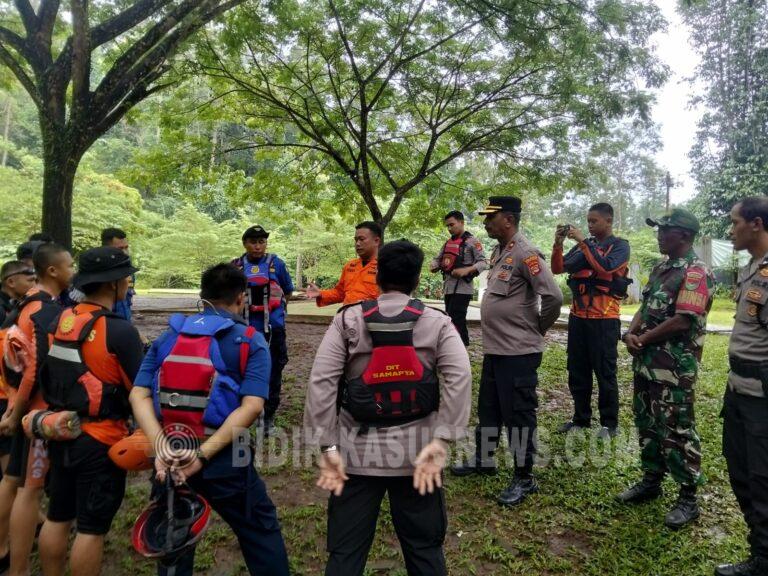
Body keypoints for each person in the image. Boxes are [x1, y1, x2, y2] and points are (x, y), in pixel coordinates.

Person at [304, 239, 471, 576]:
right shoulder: (436, 322)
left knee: (345, 554)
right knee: (425, 551)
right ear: (417, 277)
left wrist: (328, 445)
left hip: (355, 455)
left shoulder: (348, 320)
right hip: (418, 456)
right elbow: (460, 375)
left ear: (378, 273)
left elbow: (321, 381)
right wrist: (442, 440)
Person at [130, 263, 290, 576]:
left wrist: (161, 446)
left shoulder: (168, 337)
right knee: (259, 530)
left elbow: (138, 395)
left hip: (171, 457)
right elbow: (254, 405)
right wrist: (202, 455)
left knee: (174, 535)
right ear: (241, 298)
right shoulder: (249, 340)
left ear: (201, 297)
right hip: (226, 457)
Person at [38, 246, 144, 576]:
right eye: (126, 278)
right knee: (90, 528)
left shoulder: (61, 320)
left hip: (60, 431)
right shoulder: (120, 331)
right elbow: (138, 389)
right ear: (114, 284)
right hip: (100, 440)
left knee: (57, 516)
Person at [451, 196, 563, 507]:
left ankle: (525, 477)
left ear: (509, 220)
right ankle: (484, 460)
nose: (486, 223)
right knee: (489, 409)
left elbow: (553, 296)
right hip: (497, 350)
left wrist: (536, 328)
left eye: (491, 218)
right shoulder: (501, 251)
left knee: (518, 415)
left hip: (518, 352)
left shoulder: (526, 253)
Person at [616, 208, 714, 530]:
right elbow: (645, 308)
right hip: (646, 365)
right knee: (647, 422)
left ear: (684, 235)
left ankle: (688, 498)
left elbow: (683, 319)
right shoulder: (661, 268)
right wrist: (631, 332)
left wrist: (641, 338)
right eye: (658, 229)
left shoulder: (696, 272)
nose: (658, 235)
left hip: (674, 368)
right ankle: (651, 480)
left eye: (664, 230)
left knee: (677, 428)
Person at [0, 243, 74, 576]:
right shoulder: (43, 310)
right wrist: (17, 413)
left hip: (23, 407)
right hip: (38, 415)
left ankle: (8, 557)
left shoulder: (23, 307)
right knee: (30, 491)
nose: (73, 271)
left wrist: (14, 404)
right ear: (53, 271)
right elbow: (34, 366)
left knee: (13, 481)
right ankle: (17, 569)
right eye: (69, 265)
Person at [715, 197, 768, 576]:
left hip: (761, 399)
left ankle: (764, 559)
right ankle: (760, 551)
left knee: (762, 478)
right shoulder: (752, 268)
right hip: (739, 389)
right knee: (741, 470)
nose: (730, 230)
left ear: (757, 224)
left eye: (735, 223)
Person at [551, 203, 631, 438]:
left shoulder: (620, 246)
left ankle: (609, 424)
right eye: (588, 221)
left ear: (608, 221)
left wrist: (582, 242)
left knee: (605, 372)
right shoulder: (585, 247)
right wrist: (558, 244)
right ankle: (580, 418)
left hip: (604, 320)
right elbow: (558, 268)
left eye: (594, 221)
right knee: (577, 370)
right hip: (578, 318)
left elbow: (605, 267)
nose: (590, 225)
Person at [231, 225, 294, 436]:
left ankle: (268, 417)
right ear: (245, 243)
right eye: (253, 242)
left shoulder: (277, 264)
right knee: (241, 370)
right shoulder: (236, 267)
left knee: (274, 370)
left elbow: (287, 292)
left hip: (273, 330)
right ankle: (243, 414)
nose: (258, 246)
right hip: (244, 331)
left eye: (262, 242)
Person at [429, 210, 487, 346]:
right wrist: (434, 265)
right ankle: (453, 347)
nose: (449, 228)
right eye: (447, 226)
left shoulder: (473, 242)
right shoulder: (447, 243)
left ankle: (461, 347)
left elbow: (483, 262)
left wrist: (466, 270)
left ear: (461, 222)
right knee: (449, 318)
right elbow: (437, 259)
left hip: (463, 289)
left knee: (457, 319)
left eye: (452, 225)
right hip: (448, 287)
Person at [305, 222, 382, 306]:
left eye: (362, 239)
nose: (357, 243)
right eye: (356, 240)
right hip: (347, 315)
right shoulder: (350, 266)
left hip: (371, 317)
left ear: (376, 241)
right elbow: (339, 293)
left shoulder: (385, 267)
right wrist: (321, 293)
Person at [101, 227, 136, 321]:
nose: (125, 253)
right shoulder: (95, 273)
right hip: (106, 327)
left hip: (124, 325)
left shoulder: (128, 271)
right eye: (120, 249)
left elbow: (128, 301)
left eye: (126, 247)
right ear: (106, 249)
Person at [0, 261, 36, 326]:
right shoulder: (1, 310)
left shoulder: (20, 302)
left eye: (36, 281)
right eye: (31, 280)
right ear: (11, 282)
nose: (35, 285)